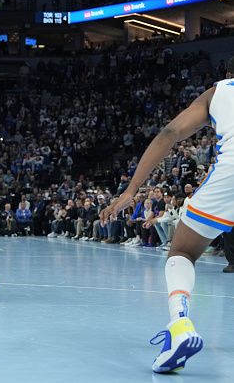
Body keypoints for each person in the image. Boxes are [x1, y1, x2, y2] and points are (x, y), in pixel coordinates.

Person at [101, 58, 234, 373]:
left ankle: (180, 325)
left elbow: (170, 132)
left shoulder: (220, 91)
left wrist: (132, 190)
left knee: (183, 251)